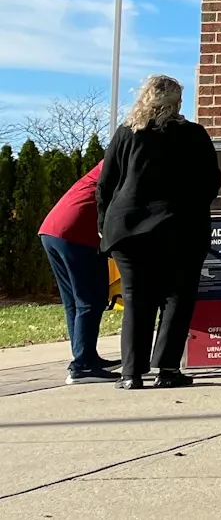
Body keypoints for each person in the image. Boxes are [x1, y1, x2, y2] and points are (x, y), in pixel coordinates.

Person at [97, 75, 221, 390]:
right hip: (181, 226)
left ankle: (131, 374)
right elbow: (212, 180)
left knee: (136, 299)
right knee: (177, 297)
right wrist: (194, 207)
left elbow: (106, 184)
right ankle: (167, 370)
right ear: (178, 101)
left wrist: (104, 226)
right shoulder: (193, 134)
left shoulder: (126, 134)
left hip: (128, 229)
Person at [39, 163, 120, 384]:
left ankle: (85, 357)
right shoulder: (126, 161)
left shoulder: (112, 160)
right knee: (90, 298)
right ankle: (83, 366)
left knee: (75, 302)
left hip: (53, 230)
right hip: (76, 232)